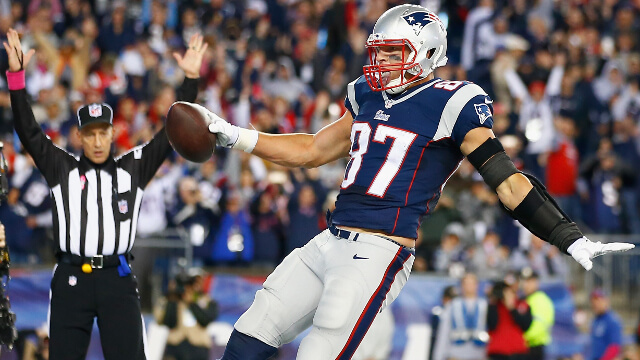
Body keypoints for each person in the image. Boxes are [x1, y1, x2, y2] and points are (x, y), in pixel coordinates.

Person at [202, 5, 634, 359]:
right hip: (328, 240)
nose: (381, 63)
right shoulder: (367, 94)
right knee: (251, 332)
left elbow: (507, 182)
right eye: (379, 52)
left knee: (318, 352)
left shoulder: (453, 102)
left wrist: (567, 236)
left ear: (426, 53)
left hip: (378, 252)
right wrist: (234, 135)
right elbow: (312, 149)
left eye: (393, 53)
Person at [3, 29, 206, 360]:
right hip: (71, 277)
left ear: (113, 133)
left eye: (103, 134)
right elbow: (28, 130)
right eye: (90, 134)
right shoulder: (61, 167)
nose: (97, 142)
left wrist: (191, 81)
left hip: (118, 277)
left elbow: (172, 132)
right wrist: (15, 76)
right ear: (80, 136)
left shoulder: (134, 168)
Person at [154, 270, 218, 360]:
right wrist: (172, 298)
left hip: (198, 347)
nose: (188, 287)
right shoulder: (169, 300)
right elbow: (168, 323)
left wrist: (191, 303)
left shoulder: (206, 300)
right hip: (175, 345)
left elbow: (205, 320)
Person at [432, 273, 488, 360]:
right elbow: (444, 332)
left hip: (479, 352)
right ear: (462, 286)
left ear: (477, 285)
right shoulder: (452, 305)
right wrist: (440, 356)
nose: (469, 286)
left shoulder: (485, 305)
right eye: (466, 283)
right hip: (456, 353)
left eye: (472, 283)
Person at [486, 281, 531, 360]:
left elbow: (525, 325)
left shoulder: (521, 305)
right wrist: (493, 299)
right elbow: (492, 325)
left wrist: (512, 308)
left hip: (518, 351)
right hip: (498, 352)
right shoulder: (494, 306)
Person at [520, 268, 554, 360]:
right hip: (526, 347)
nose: (525, 285)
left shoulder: (540, 300)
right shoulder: (526, 299)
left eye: (529, 281)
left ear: (536, 282)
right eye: (524, 281)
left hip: (535, 347)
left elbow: (538, 327)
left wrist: (519, 338)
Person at [589, 289, 623, 360]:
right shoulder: (595, 320)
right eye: (593, 301)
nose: (595, 304)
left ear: (606, 301)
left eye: (599, 301)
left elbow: (614, 347)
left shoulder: (612, 320)